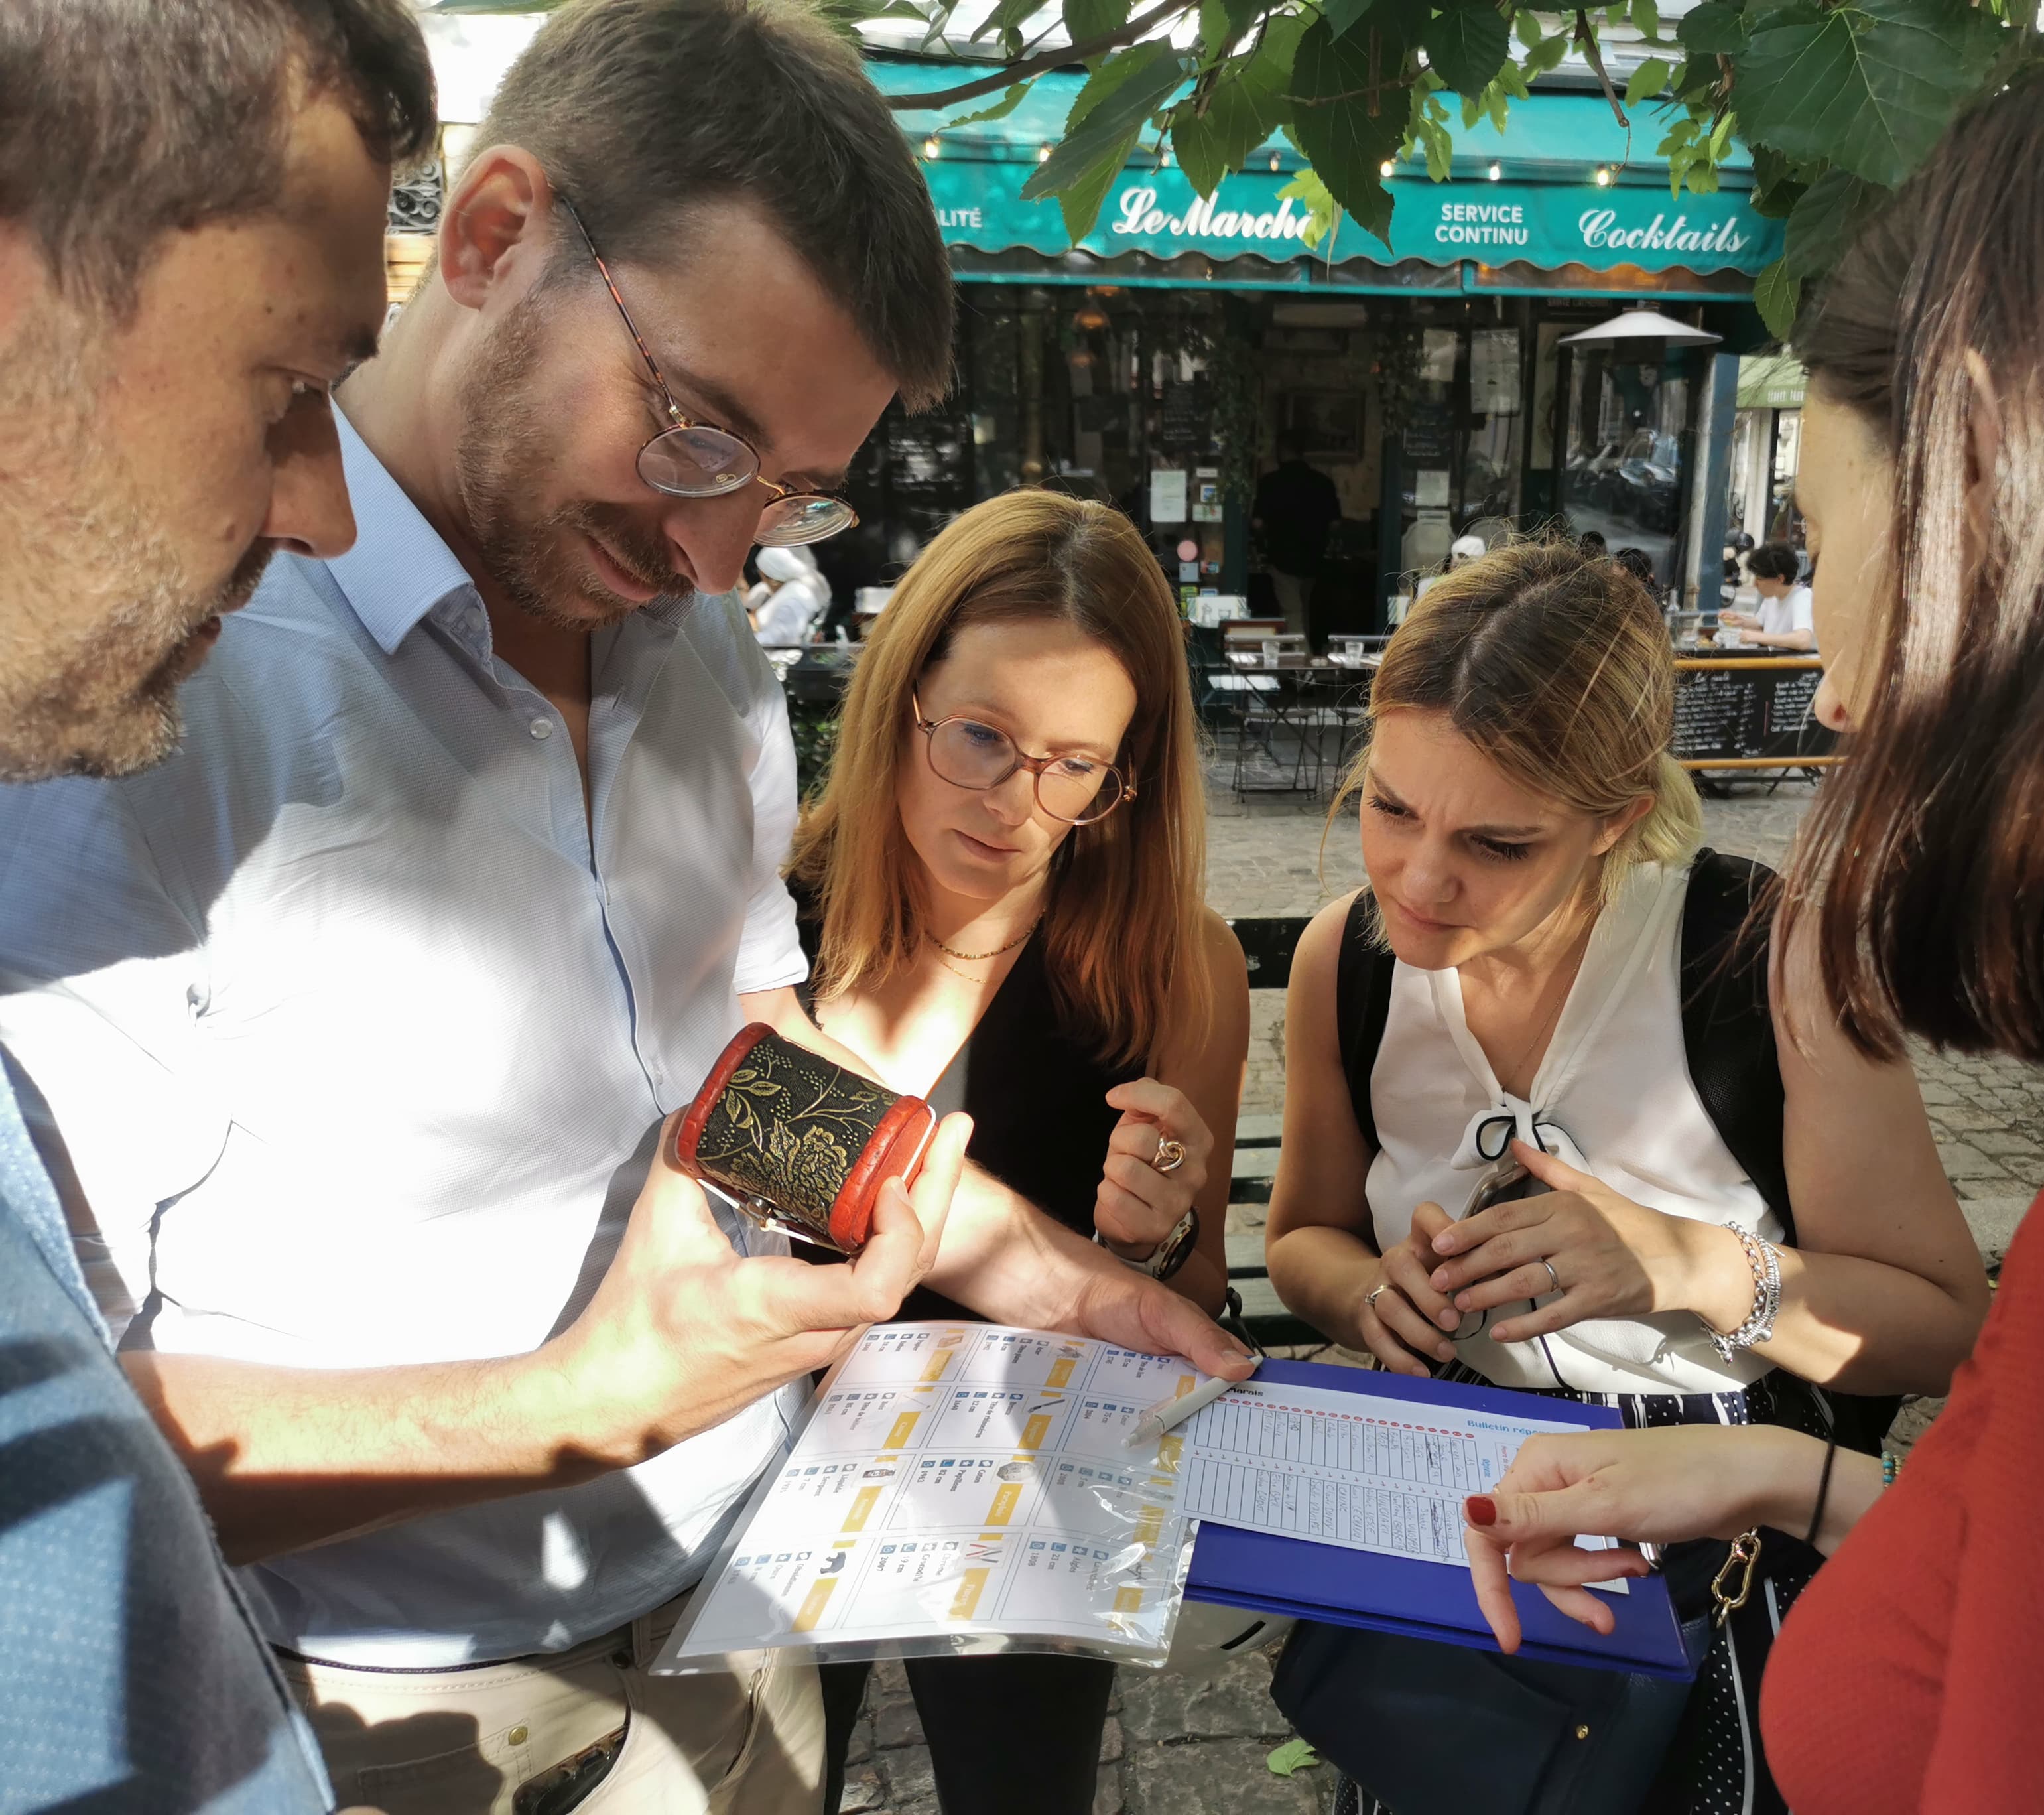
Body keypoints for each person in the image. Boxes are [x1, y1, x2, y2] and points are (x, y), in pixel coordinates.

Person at [0, 3, 1248, 1809]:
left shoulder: (703, 663)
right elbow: (50, 1437)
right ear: (497, 237)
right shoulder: (126, 677)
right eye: (696, 433)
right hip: (365, 1708)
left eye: (793, 498)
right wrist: (581, 1401)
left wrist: (1007, 1249)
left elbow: (735, 1057)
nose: (717, 548)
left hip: (740, 1614)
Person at [1461, 36, 2044, 1813]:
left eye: (1827, 548)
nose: (1830, 689)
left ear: (1997, 488)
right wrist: (1787, 1480)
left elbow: (1947, 1355)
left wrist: (1714, 1288)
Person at [1265, 541, 1986, 1810]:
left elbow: (1939, 1330)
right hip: (1451, 1484)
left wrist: (1690, 1267)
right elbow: (1304, 1238)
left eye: (1496, 842)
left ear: (1614, 815)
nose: (1417, 880)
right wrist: (1366, 1295)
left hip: (1706, 1520)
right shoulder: (1352, 960)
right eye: (1388, 805)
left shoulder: (1763, 956)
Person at [0, 1, 434, 1806]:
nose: (330, 512)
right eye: (289, 395)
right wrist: (604, 1381)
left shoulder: (708, 677)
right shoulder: (174, 738)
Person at [792, 488, 1249, 1814]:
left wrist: (1152, 1239)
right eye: (980, 737)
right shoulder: (770, 928)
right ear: (902, 692)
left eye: (1074, 765)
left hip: (1019, 1488)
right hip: (765, 1462)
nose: (1013, 804)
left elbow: (1194, 1300)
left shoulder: (1177, 967)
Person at [1253, 429, 1341, 634]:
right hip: (1314, 559)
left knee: (1292, 613)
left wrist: (1262, 546)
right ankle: (1310, 659)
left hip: (1282, 558)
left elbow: (1258, 524)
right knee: (1306, 612)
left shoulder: (1270, 483)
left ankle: (1303, 661)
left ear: (1280, 451)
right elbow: (1335, 525)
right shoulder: (1323, 483)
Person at [1720, 543, 1815, 650]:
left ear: (1780, 579)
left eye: (1760, 579)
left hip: (1794, 664)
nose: (1755, 584)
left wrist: (1759, 637)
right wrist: (1742, 621)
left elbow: (1803, 640)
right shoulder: (1773, 596)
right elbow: (1760, 623)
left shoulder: (1802, 597)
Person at [749, 541, 830, 647]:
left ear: (772, 575)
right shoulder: (796, 590)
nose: (763, 582)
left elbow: (775, 641)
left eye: (763, 576)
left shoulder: (794, 597)